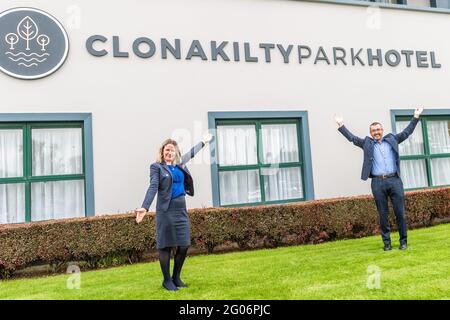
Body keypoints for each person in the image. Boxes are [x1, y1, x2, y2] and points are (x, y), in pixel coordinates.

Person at [335, 107, 424, 251]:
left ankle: (403, 242)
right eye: (373, 130)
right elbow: (352, 138)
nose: (376, 132)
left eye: (378, 129)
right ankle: (387, 243)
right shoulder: (367, 143)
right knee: (383, 214)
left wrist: (416, 116)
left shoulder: (392, 139)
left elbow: (407, 132)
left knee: (400, 213)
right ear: (371, 133)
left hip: (394, 180)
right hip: (377, 182)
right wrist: (341, 125)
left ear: (382, 130)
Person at [135, 132, 213, 291]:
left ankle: (176, 277)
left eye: (172, 150)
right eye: (166, 150)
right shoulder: (156, 167)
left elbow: (191, 153)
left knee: (184, 245)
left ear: (176, 152)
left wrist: (203, 142)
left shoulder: (179, 163)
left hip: (181, 209)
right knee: (166, 246)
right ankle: (167, 280)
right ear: (162, 152)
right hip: (166, 210)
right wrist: (145, 206)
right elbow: (153, 187)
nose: (169, 153)